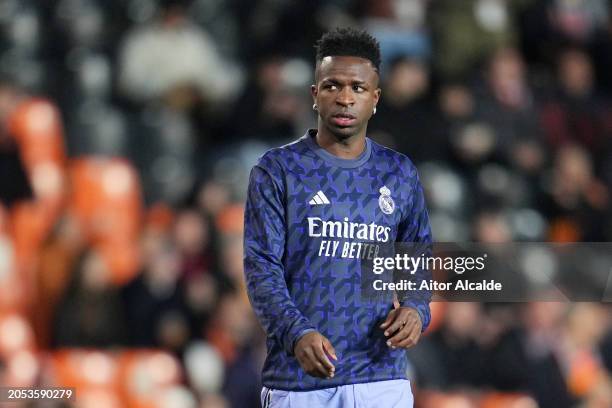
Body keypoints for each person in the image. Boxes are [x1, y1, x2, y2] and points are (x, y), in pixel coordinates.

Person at [243, 28, 432, 407]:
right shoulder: (278, 169)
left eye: (357, 89)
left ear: (375, 98)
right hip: (299, 380)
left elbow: (417, 256)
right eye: (332, 86)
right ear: (315, 95)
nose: (345, 98)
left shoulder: (399, 172)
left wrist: (416, 308)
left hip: (381, 376)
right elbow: (261, 268)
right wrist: (296, 333)